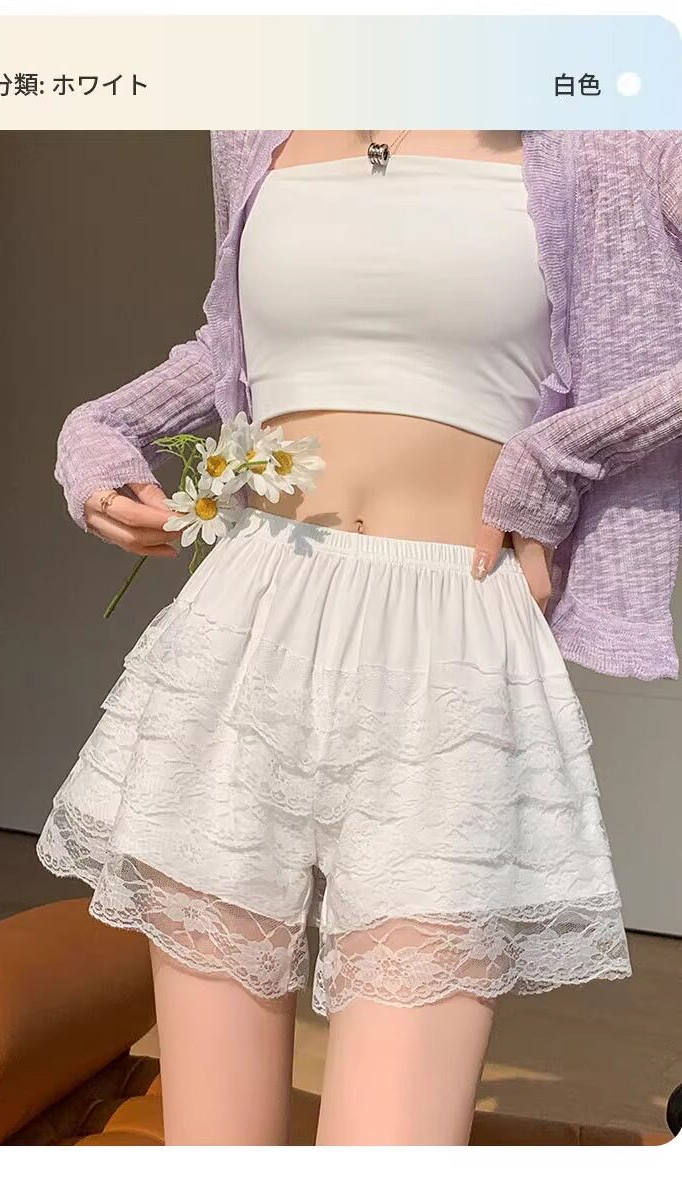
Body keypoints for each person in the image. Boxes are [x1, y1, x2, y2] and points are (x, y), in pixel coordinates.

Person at [37, 129, 682, 1146]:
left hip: (450, 642)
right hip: (251, 617)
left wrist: (556, 458)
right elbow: (232, 342)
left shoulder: (615, 128)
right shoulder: (258, 124)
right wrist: (98, 428)